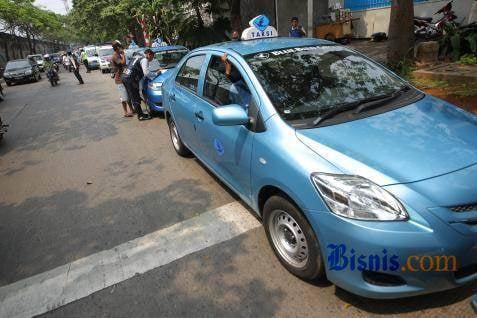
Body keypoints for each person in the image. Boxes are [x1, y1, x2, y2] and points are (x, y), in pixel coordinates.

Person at [122, 49, 159, 120]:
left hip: (126, 76)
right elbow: (146, 73)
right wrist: (156, 73)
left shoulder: (137, 56)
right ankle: (140, 116)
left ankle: (140, 113)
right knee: (135, 96)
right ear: (148, 54)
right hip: (130, 78)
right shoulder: (144, 59)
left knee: (134, 96)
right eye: (152, 57)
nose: (152, 59)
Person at [111, 40, 134, 117]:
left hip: (123, 77)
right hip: (119, 79)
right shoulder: (115, 56)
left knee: (128, 95)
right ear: (117, 47)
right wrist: (123, 54)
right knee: (123, 96)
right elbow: (123, 63)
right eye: (120, 47)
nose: (121, 48)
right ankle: (125, 112)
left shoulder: (118, 54)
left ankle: (131, 109)